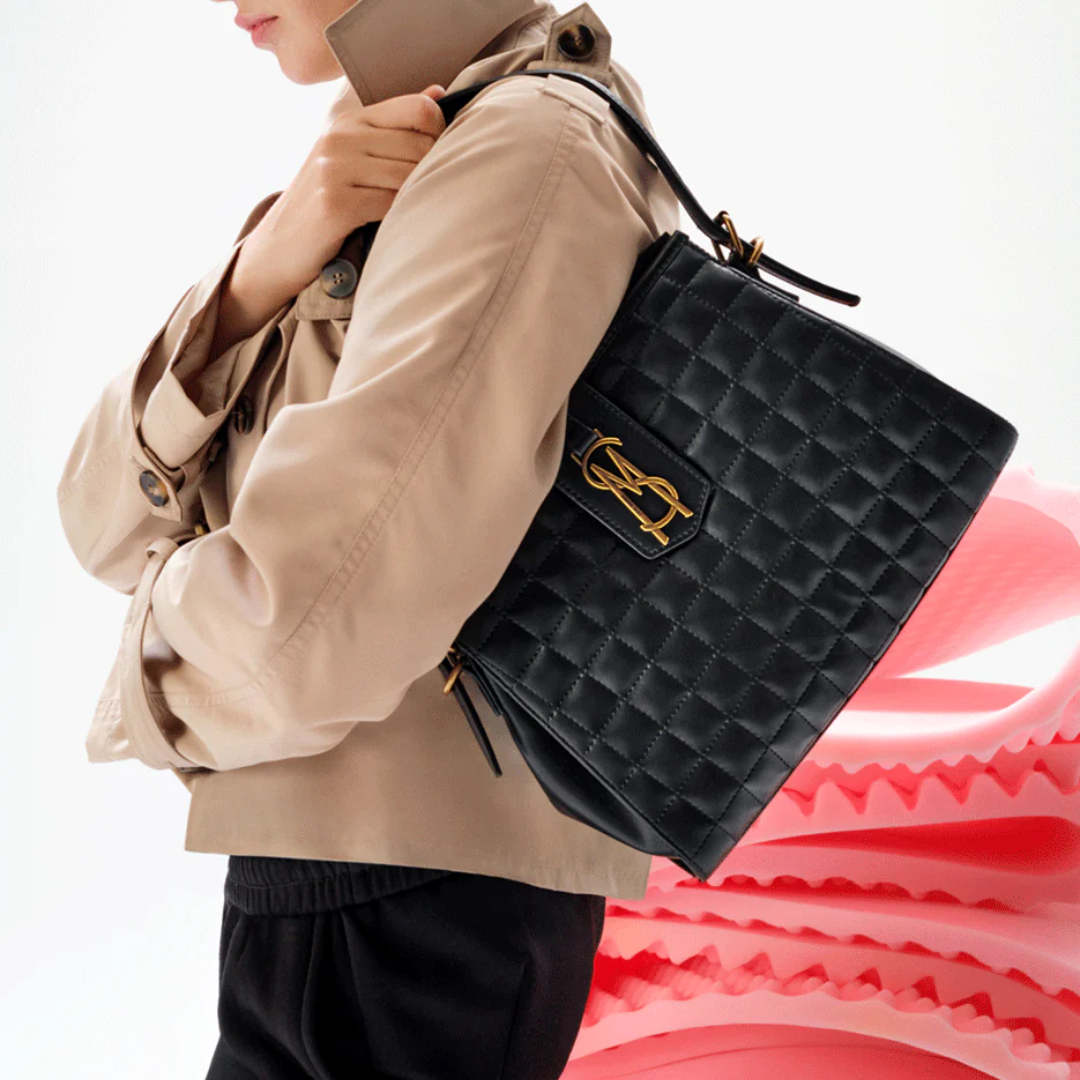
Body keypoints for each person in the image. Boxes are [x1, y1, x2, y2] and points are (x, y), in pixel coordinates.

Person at [55, 0, 682, 1075]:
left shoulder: (528, 143)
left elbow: (305, 634)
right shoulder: (402, 142)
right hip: (340, 876)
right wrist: (257, 276)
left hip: (416, 904)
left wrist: (139, 667)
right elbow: (97, 517)